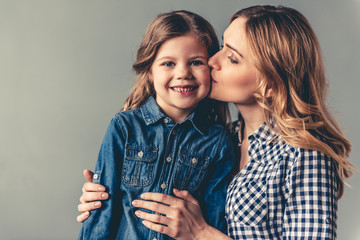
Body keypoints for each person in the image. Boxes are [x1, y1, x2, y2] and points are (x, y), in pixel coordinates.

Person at [77, 5, 354, 239]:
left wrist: (201, 234)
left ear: (269, 83)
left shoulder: (304, 156)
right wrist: (107, 194)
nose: (212, 61)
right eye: (221, 47)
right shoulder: (228, 137)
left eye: (232, 58)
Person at [77, 10, 236, 240]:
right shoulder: (124, 127)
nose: (183, 73)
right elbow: (101, 209)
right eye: (168, 63)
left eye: (196, 62)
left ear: (210, 68)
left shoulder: (219, 141)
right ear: (149, 71)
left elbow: (214, 220)